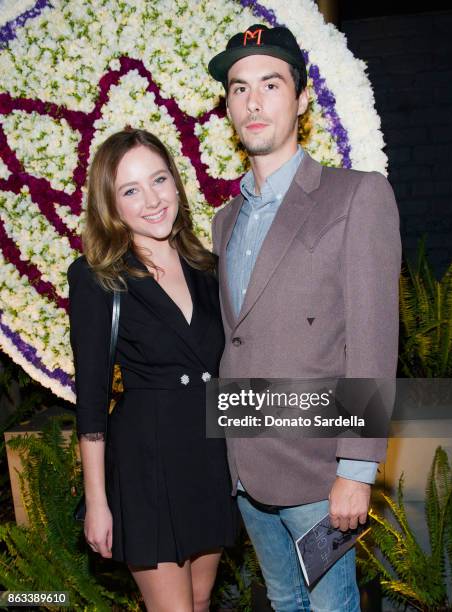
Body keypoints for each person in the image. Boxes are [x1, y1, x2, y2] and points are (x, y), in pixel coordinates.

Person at [208, 24, 401, 611]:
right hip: (245, 462)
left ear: (301, 98)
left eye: (270, 83)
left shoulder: (356, 196)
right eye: (240, 89)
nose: (254, 101)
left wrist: (356, 467)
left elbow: (371, 340)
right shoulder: (224, 220)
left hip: (320, 470)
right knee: (282, 601)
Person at [67, 128, 238, 612]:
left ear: (176, 184)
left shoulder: (208, 267)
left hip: (208, 457)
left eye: (159, 180)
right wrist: (97, 502)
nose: (151, 200)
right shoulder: (98, 277)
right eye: (130, 190)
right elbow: (92, 402)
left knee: (201, 599)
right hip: (147, 464)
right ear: (111, 204)